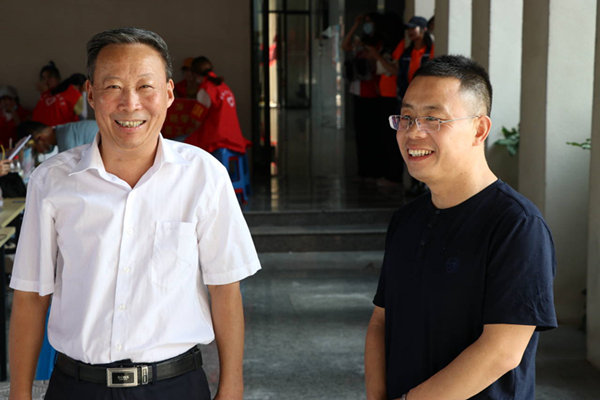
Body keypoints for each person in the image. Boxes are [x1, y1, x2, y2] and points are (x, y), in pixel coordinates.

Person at [9, 27, 260, 400]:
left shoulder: (204, 176)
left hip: (175, 387)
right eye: (113, 87)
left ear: (169, 93)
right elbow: (30, 295)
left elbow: (225, 289)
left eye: (146, 86)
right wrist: (19, 394)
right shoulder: (52, 181)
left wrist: (232, 388)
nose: (130, 104)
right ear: (91, 94)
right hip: (77, 388)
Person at [365, 55, 557, 400]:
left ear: (479, 129)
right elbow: (381, 321)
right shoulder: (406, 220)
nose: (413, 132)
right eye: (406, 118)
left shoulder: (516, 226)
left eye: (433, 119)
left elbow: (501, 351)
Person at [342, 12, 384, 183]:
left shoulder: (378, 44)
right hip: (358, 91)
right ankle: (363, 170)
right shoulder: (361, 43)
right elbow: (345, 45)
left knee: (371, 134)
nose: (367, 25)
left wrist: (366, 49)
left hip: (372, 92)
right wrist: (355, 26)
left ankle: (373, 170)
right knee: (360, 134)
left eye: (369, 22)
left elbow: (374, 63)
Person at [184, 56, 250, 154]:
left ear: (195, 74)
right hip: (234, 138)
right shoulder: (223, 86)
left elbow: (197, 121)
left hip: (216, 139)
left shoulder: (206, 90)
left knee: (180, 144)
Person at [32, 62, 84, 127]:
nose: (46, 81)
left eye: (50, 77)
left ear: (58, 79)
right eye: (43, 78)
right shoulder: (43, 96)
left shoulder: (69, 92)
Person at [17, 120, 98, 154]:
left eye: (35, 150)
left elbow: (70, 171)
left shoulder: (66, 140)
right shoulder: (63, 131)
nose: (39, 152)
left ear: (41, 139)